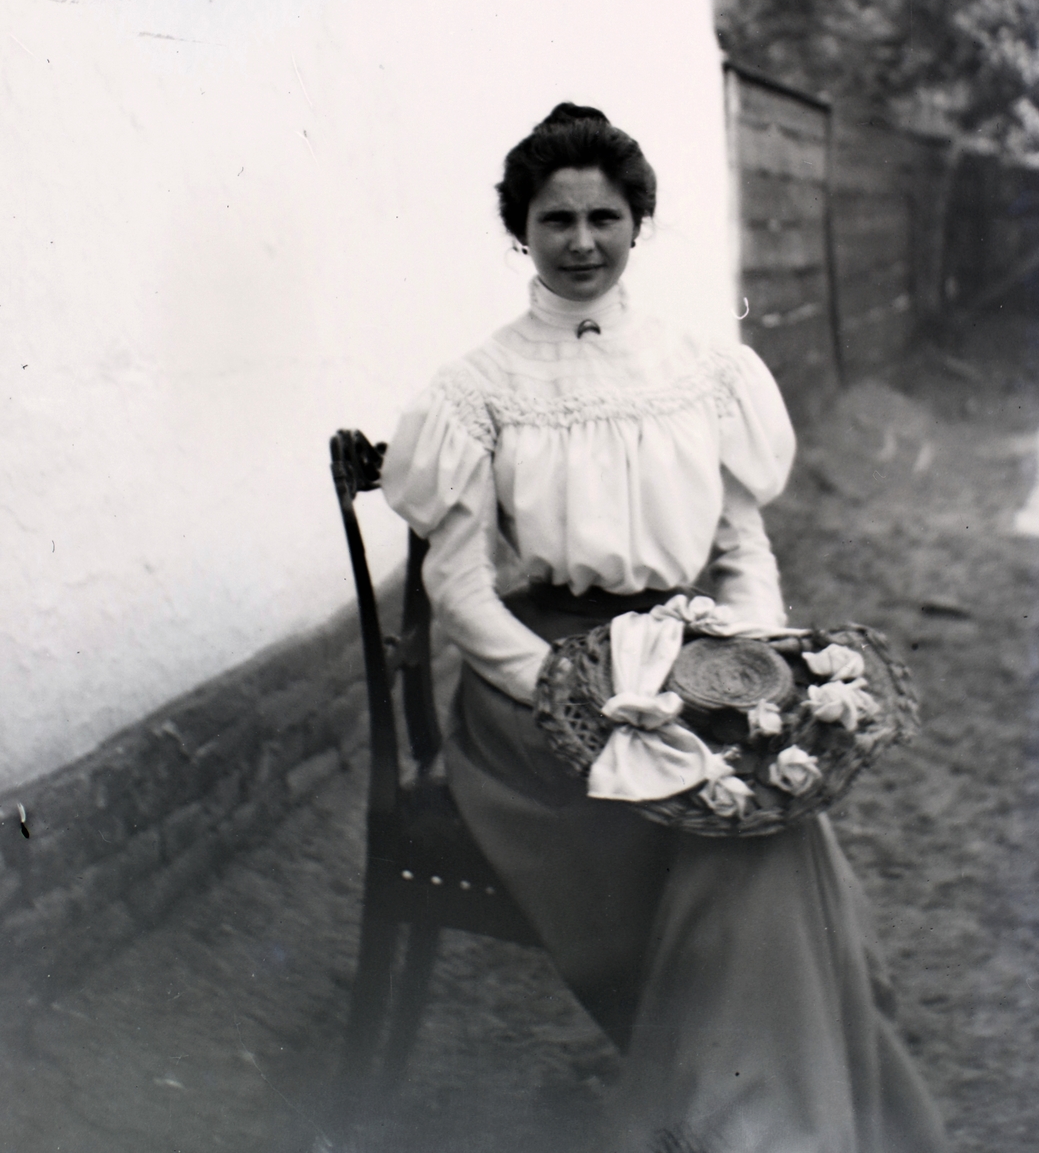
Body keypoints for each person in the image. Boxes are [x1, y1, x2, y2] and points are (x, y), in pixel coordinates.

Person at [381, 103, 948, 1153]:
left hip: (687, 657)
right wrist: (578, 689)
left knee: (757, 798)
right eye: (557, 219)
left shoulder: (703, 371)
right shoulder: (477, 391)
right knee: (748, 829)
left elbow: (743, 548)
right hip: (533, 693)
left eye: (606, 215)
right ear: (522, 231)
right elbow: (462, 593)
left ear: (639, 221)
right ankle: (773, 1117)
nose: (584, 241)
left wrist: (752, 676)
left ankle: (749, 1111)